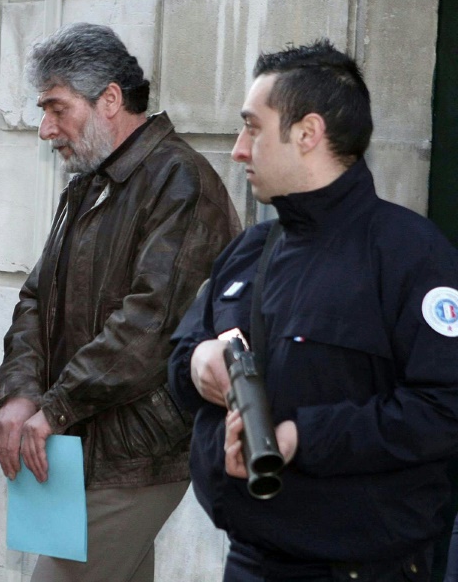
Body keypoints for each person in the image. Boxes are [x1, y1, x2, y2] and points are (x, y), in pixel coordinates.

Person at [168, 38, 458, 582]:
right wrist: (198, 362)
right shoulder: (249, 249)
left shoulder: (411, 258)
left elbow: (443, 412)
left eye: (252, 127)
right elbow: (180, 360)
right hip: (250, 560)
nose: (237, 149)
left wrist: (302, 436)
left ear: (307, 133)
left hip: (361, 569)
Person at [0, 22, 240, 582]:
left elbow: (151, 326)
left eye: (57, 109)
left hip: (136, 455)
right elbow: (37, 296)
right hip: (81, 444)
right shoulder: (91, 181)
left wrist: (54, 407)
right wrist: (20, 392)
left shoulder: (180, 180)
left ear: (109, 99)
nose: (44, 129)